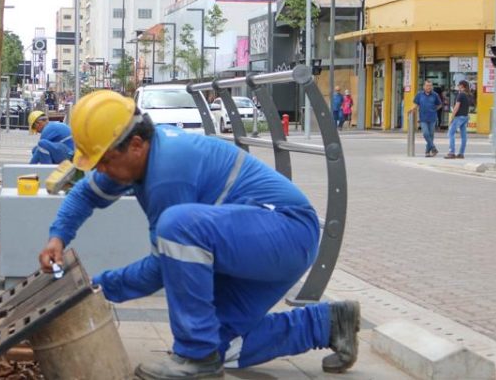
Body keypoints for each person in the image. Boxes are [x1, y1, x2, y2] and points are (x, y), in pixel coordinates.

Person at [38, 90, 360, 379]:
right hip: (256, 240)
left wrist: (95, 290)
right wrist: (57, 238)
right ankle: (328, 323)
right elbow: (85, 194)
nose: (101, 170)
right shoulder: (136, 157)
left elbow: (162, 268)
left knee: (176, 227)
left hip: (286, 233)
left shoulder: (167, 173)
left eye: (104, 161)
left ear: (135, 145)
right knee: (224, 348)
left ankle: (195, 357)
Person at [411, 80, 443, 157]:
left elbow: (440, 105)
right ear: (424, 86)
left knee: (431, 135)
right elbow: (415, 104)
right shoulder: (419, 95)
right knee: (425, 133)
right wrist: (412, 110)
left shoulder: (435, 95)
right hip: (423, 118)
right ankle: (433, 147)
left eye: (430, 86)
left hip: (432, 118)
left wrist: (434, 109)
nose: (429, 87)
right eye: (427, 85)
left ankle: (427, 152)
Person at [445, 80, 472, 159]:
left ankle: (451, 152)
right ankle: (461, 153)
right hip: (465, 117)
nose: (458, 86)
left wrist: (452, 117)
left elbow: (457, 106)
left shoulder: (461, 95)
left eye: (458, 85)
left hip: (459, 117)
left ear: (462, 86)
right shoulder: (468, 95)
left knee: (451, 133)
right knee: (463, 136)